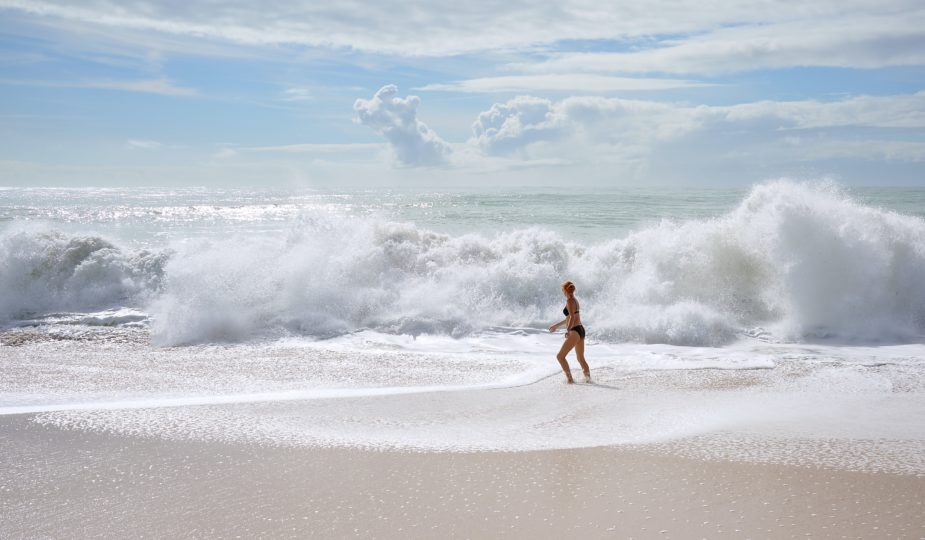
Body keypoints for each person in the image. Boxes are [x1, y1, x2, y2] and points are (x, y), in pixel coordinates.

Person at [548, 280, 591, 384]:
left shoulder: (569, 301)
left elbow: (571, 317)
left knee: (560, 356)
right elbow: (569, 317)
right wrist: (556, 326)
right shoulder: (574, 300)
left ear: (564, 290)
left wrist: (568, 330)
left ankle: (570, 380)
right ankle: (589, 380)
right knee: (580, 358)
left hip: (575, 331)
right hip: (580, 329)